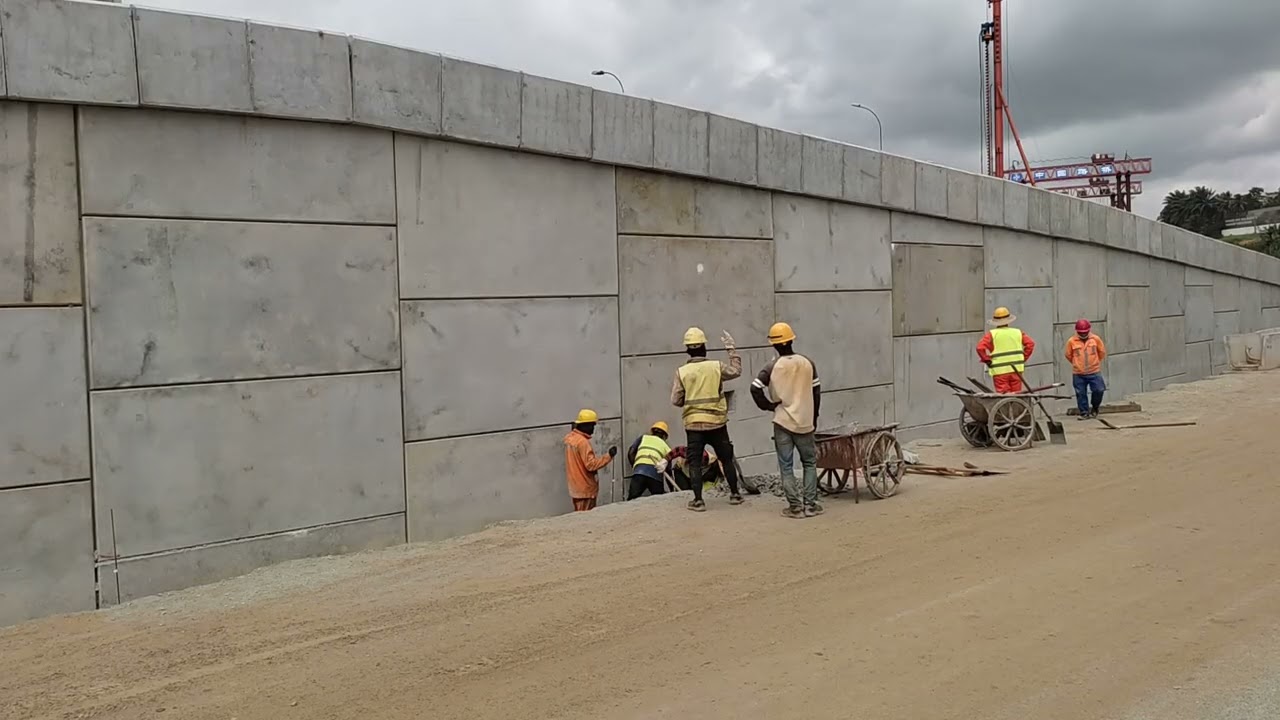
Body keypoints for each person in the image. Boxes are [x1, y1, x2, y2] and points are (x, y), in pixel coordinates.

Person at [751, 322, 823, 519]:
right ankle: (810, 505)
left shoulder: (772, 366)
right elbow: (816, 392)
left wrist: (768, 406)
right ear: (791, 340)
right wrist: (814, 417)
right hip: (805, 423)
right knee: (809, 463)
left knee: (786, 466)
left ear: (774, 345)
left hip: (782, 422)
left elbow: (755, 388)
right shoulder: (807, 363)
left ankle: (795, 507)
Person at [671, 327, 744, 512]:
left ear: (687, 349)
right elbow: (736, 371)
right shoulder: (716, 367)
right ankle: (735, 494)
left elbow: (676, 400)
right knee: (725, 458)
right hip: (717, 423)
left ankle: (698, 501)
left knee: (694, 462)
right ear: (704, 347)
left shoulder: (682, 372)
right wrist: (731, 349)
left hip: (694, 425)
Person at [562, 408, 616, 511]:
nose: (593, 429)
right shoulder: (583, 443)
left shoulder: (570, 438)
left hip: (576, 487)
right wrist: (609, 456)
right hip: (585, 489)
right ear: (585, 425)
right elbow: (591, 465)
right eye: (592, 426)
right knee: (584, 519)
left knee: (579, 514)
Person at [975, 306, 1036, 394]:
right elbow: (1030, 344)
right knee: (1017, 395)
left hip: (1000, 371)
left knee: (1003, 396)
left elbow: (980, 347)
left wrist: (987, 360)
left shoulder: (992, 334)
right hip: (1016, 370)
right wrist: (1023, 358)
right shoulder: (1017, 332)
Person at [1064, 319, 1108, 419]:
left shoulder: (1095, 339)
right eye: (1081, 333)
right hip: (1078, 373)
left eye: (1085, 333)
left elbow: (1101, 352)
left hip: (1094, 371)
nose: (1083, 335)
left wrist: (1094, 362)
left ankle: (1095, 407)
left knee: (1099, 390)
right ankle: (1084, 412)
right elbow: (1068, 355)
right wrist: (1077, 364)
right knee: (1080, 393)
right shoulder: (1071, 341)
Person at [625, 421, 672, 500]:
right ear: (664, 436)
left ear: (652, 432)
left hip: (639, 472)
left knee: (632, 498)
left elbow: (631, 452)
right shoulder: (666, 447)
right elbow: (668, 471)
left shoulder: (643, 438)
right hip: (655, 474)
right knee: (659, 500)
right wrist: (672, 490)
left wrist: (636, 465)